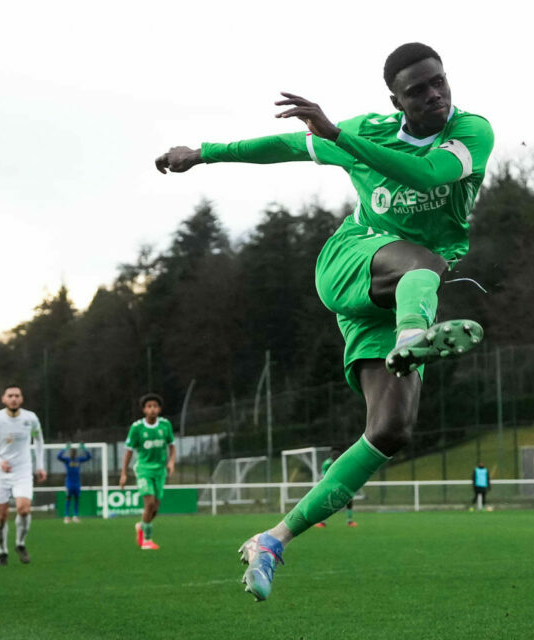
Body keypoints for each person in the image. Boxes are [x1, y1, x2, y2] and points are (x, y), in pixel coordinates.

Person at [155, 42, 493, 601]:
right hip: (356, 263)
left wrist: (341, 137)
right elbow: (287, 144)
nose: (435, 95)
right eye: (418, 90)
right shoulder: (368, 131)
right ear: (396, 99)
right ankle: (413, 336)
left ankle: (272, 539)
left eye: (439, 82)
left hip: (402, 295)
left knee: (390, 431)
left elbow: (425, 171)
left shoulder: (471, 132)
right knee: (424, 261)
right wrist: (206, 152)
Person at [0, 385, 46, 566]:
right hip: (0, 473)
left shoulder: (30, 418)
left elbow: (39, 439)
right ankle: (2, 551)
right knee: (1, 516)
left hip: (23, 471)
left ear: (22, 399)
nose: (13, 399)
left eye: (17, 396)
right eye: (10, 396)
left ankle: (20, 543)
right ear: (4, 399)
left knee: (24, 509)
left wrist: (40, 465)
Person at [120, 394, 176, 550]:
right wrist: (123, 473)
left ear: (159, 409)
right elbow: (129, 451)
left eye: (155, 406)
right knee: (149, 503)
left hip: (160, 471)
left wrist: (171, 462)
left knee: (155, 508)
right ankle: (147, 539)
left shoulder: (165, 425)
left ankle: (141, 526)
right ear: (144, 409)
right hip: (144, 469)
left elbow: (172, 445)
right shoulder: (137, 428)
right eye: (149, 406)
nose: (152, 409)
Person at [316, 448, 356, 528]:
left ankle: (349, 521)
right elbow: (324, 476)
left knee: (349, 500)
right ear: (332, 459)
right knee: (325, 501)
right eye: (334, 460)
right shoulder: (327, 463)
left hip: (342, 483)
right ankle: (322, 522)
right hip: (329, 484)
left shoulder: (344, 462)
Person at [57, 443, 92, 523]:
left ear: (76, 453)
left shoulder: (78, 460)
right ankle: (66, 516)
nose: (73, 454)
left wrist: (84, 448)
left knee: (76, 499)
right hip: (69, 482)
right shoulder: (67, 460)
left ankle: (75, 516)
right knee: (68, 498)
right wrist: (65, 448)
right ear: (70, 453)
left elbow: (89, 457)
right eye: (71, 452)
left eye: (74, 452)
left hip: (77, 483)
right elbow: (58, 456)